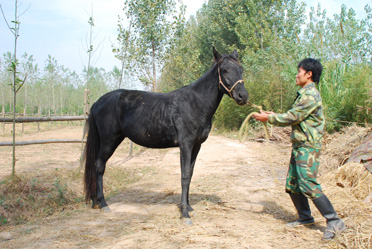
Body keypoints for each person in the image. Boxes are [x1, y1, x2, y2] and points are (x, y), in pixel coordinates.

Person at [252, 58, 345, 240]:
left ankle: (334, 221)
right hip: (299, 146)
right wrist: (273, 115)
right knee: (293, 184)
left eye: (299, 71)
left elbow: (292, 117)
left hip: (308, 146)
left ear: (309, 74)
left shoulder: (311, 95)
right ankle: (305, 217)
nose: (296, 74)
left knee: (308, 183)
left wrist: (268, 118)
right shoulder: (304, 94)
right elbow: (294, 116)